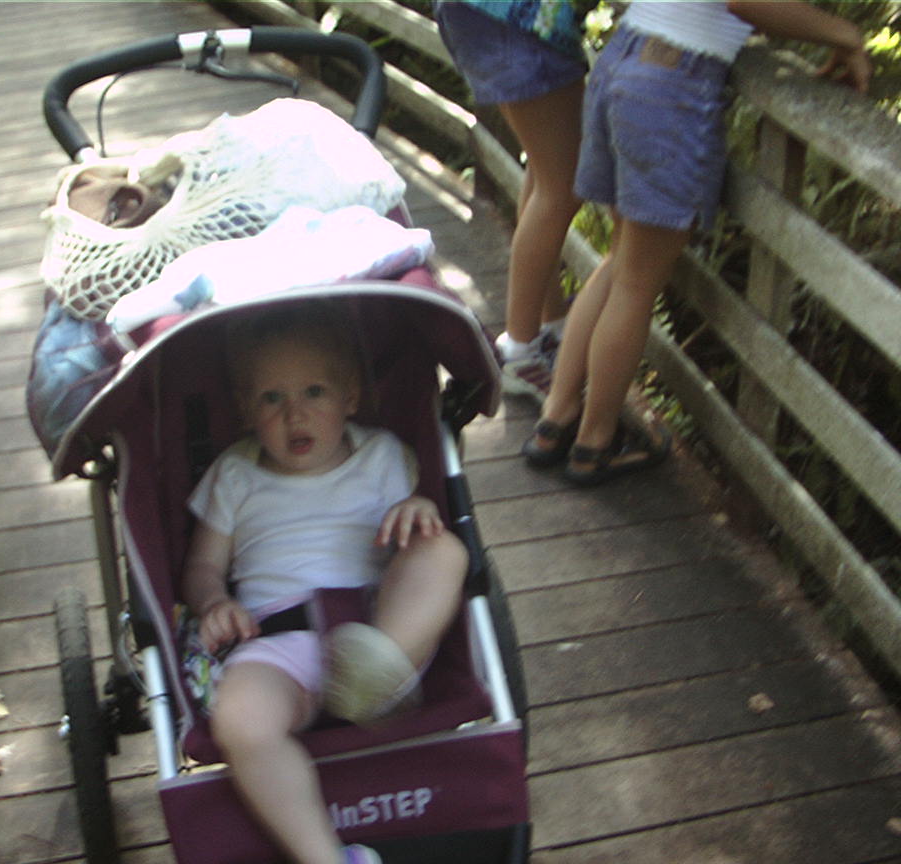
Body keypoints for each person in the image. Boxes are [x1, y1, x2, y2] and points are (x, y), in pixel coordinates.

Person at [523, 0, 873, 486]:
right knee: (635, 285)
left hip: (626, 57)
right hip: (671, 82)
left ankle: (555, 422)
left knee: (620, 262)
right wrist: (844, 34)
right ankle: (593, 444)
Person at [180, 305, 468, 864]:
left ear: (350, 398)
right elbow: (201, 567)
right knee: (241, 721)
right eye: (271, 398)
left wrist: (418, 509)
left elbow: (414, 539)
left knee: (444, 550)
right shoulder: (234, 474)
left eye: (315, 391)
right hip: (275, 643)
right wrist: (213, 600)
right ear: (246, 410)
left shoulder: (383, 455)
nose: (295, 414)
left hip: (381, 627)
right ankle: (325, 858)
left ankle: (374, 677)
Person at [434, 0, 591, 398]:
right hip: (517, 22)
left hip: (492, 17)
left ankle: (550, 322)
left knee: (546, 176)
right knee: (561, 190)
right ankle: (522, 349)